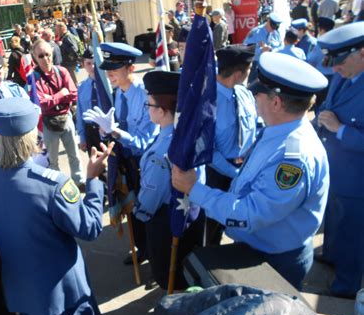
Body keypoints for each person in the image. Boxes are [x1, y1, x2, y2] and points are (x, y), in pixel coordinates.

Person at [172, 52, 329, 289]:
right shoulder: (280, 130)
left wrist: (194, 189)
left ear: (276, 102)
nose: (253, 96)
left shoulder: (292, 158)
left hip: (275, 260)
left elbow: (250, 214)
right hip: (261, 248)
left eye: (258, 93)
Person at [0, 97, 113, 315]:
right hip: (66, 295)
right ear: (30, 137)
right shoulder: (52, 184)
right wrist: (93, 180)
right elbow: (90, 228)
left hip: (24, 296)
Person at [83, 42, 159, 265]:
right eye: (107, 69)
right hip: (125, 161)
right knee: (132, 210)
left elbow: (144, 143)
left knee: (147, 211)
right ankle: (142, 248)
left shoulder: (146, 97)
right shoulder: (119, 93)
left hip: (143, 164)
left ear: (131, 68)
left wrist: (114, 131)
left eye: (114, 69)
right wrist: (108, 132)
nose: (109, 74)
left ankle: (155, 254)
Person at [135, 71, 204, 290]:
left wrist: (137, 212)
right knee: (188, 268)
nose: (147, 109)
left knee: (169, 273)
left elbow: (150, 198)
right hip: (191, 213)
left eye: (149, 104)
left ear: (163, 110)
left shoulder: (163, 151)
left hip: (166, 220)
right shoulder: (187, 134)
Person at [315, 22, 364, 299]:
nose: (334, 68)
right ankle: (331, 257)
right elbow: (328, 107)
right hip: (335, 169)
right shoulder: (345, 75)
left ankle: (345, 288)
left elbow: (338, 121)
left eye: (340, 61)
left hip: (358, 178)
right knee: (334, 219)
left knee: (353, 233)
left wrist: (340, 129)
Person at [206, 44, 259, 245]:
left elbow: (256, 127)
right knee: (213, 224)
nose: (250, 72)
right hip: (219, 173)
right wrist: (234, 173)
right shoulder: (208, 102)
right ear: (238, 73)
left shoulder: (245, 93)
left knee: (245, 221)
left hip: (247, 168)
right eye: (249, 68)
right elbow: (208, 150)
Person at [31, 39, 85, 187]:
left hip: (66, 117)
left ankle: (79, 181)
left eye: (47, 54)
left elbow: (74, 95)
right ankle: (57, 186)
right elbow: (41, 104)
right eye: (40, 56)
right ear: (35, 58)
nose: (45, 59)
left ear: (52, 53)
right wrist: (61, 94)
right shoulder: (34, 77)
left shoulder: (62, 71)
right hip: (47, 123)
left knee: (74, 154)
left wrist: (52, 99)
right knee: (52, 160)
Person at [76, 47, 104, 154]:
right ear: (83, 64)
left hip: (106, 129)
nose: (92, 67)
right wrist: (82, 137)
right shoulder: (82, 87)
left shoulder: (108, 84)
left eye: (95, 63)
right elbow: (80, 114)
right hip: (90, 132)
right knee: (96, 167)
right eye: (88, 63)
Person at [244, 13, 283, 84]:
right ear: (268, 21)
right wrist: (261, 50)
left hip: (271, 65)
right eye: (272, 27)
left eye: (275, 28)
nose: (273, 30)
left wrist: (271, 50)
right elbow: (247, 49)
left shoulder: (276, 33)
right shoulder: (256, 32)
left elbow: (280, 47)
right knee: (253, 88)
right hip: (257, 65)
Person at [306, 17, 335, 110]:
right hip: (335, 78)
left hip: (321, 78)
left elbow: (311, 61)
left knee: (319, 106)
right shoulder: (337, 43)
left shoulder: (321, 44)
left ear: (321, 29)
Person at [56, 21, 80, 86]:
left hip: (71, 64)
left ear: (62, 29)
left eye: (57, 29)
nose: (56, 31)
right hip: (67, 63)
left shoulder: (68, 36)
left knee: (74, 82)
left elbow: (74, 49)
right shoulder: (63, 37)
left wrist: (62, 45)